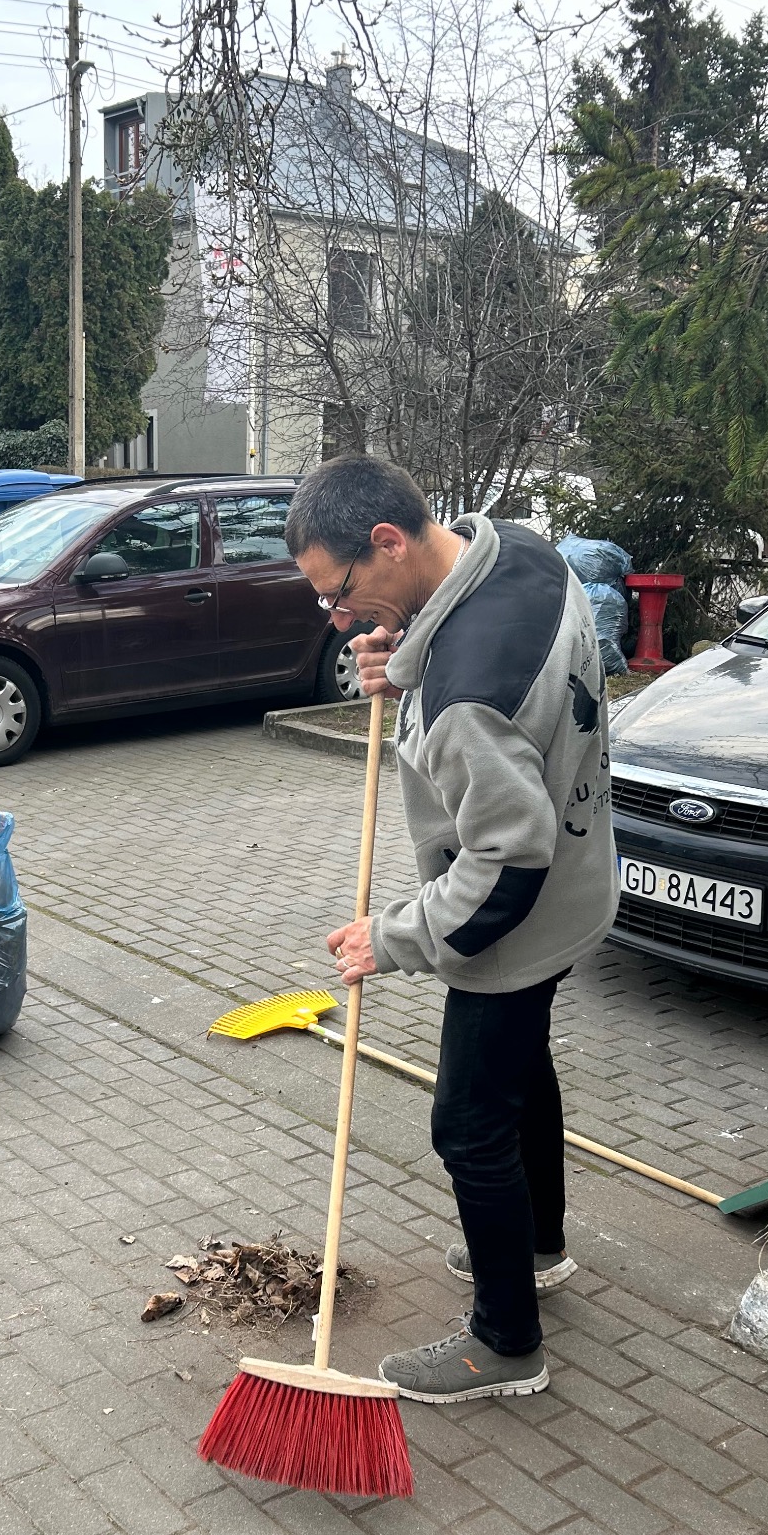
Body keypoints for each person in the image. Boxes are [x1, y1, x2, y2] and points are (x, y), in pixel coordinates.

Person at [284, 457, 618, 1403]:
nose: (338, 616)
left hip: (515, 920)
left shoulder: (471, 691)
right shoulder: (513, 549)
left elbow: (503, 867)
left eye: (338, 592)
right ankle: (539, 1245)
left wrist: (387, 939)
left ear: (386, 540)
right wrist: (404, 653)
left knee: (467, 1124)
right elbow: (486, 669)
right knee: (523, 1073)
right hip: (578, 888)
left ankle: (506, 1343)